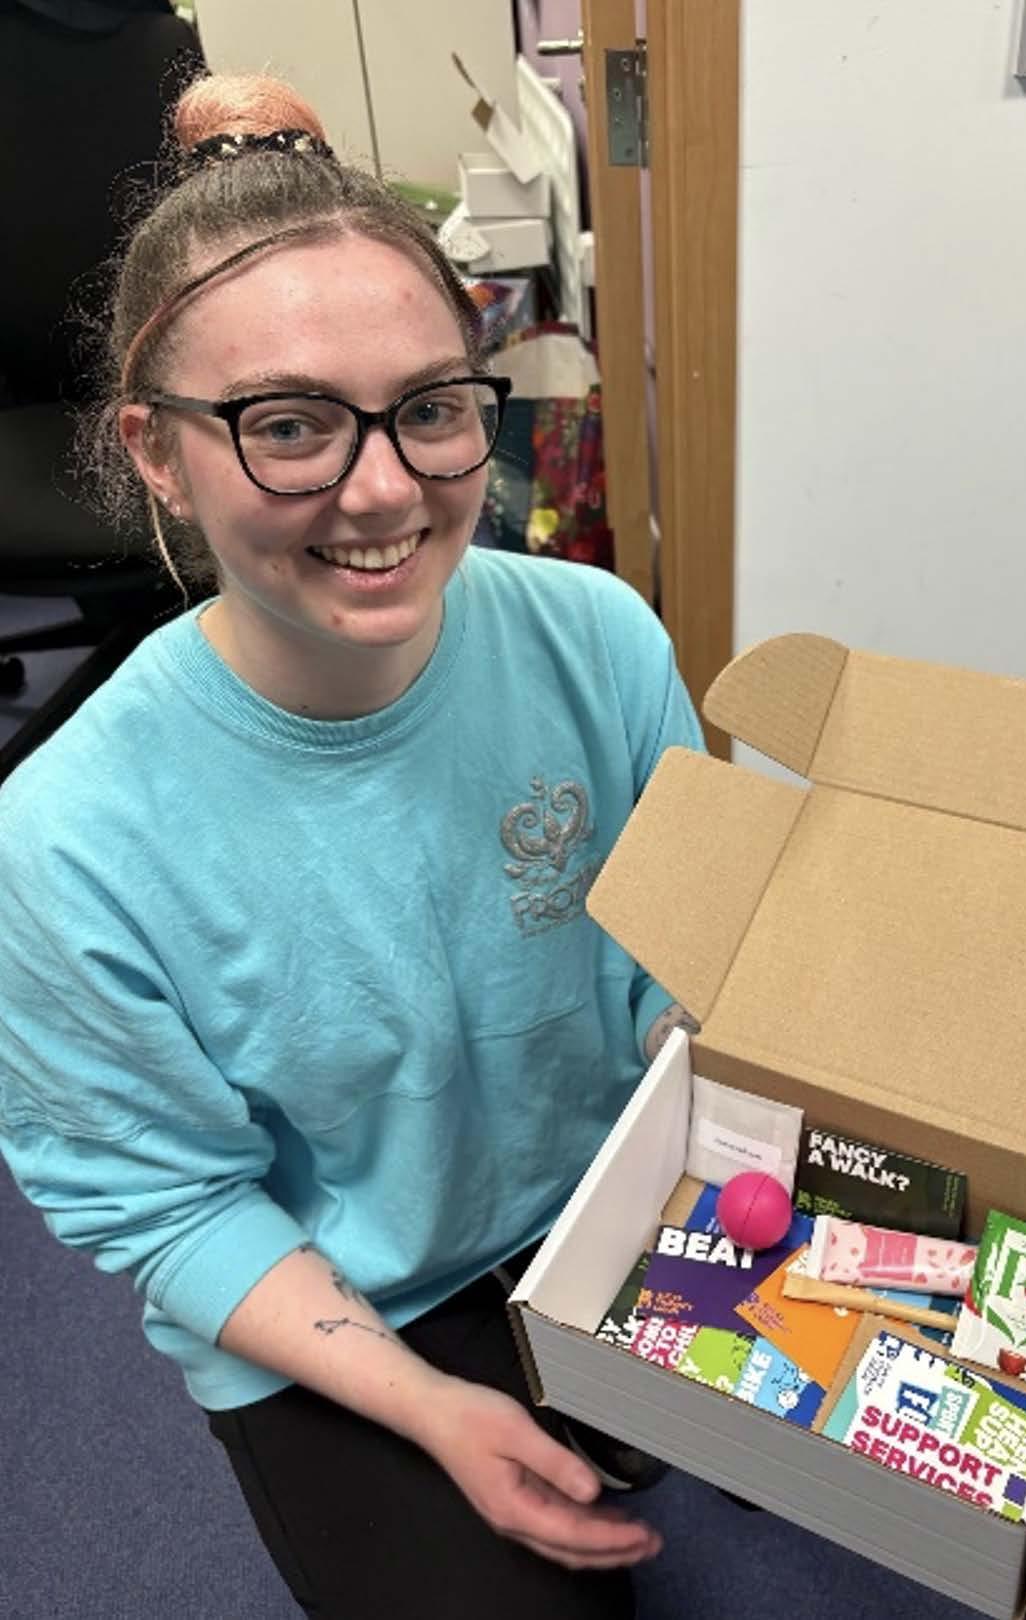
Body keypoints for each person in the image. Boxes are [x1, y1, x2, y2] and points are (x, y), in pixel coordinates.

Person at [0, 72, 704, 1619]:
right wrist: (426, 1404)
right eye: (288, 425)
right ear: (158, 453)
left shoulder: (599, 641)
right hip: (344, 1294)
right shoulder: (67, 843)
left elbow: (682, 954)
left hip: (594, 1200)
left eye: (431, 408)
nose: (383, 491)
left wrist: (727, 1076)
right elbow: (171, 1204)